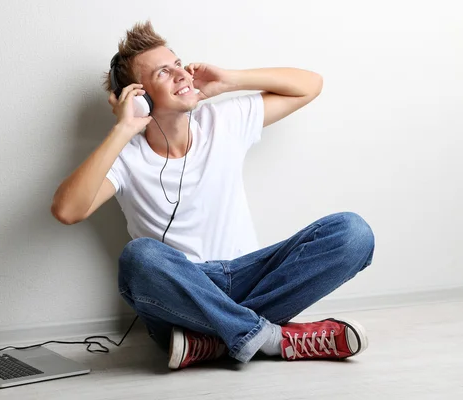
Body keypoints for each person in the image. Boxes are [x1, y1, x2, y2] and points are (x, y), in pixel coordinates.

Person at [51, 21, 375, 370]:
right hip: (184, 293)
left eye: (178, 63)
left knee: (352, 233)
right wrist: (123, 128)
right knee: (139, 257)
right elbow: (68, 210)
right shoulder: (126, 155)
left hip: (248, 276)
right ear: (140, 98)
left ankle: (214, 341)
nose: (181, 74)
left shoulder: (221, 120)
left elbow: (311, 85)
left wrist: (229, 81)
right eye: (164, 72)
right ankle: (273, 339)